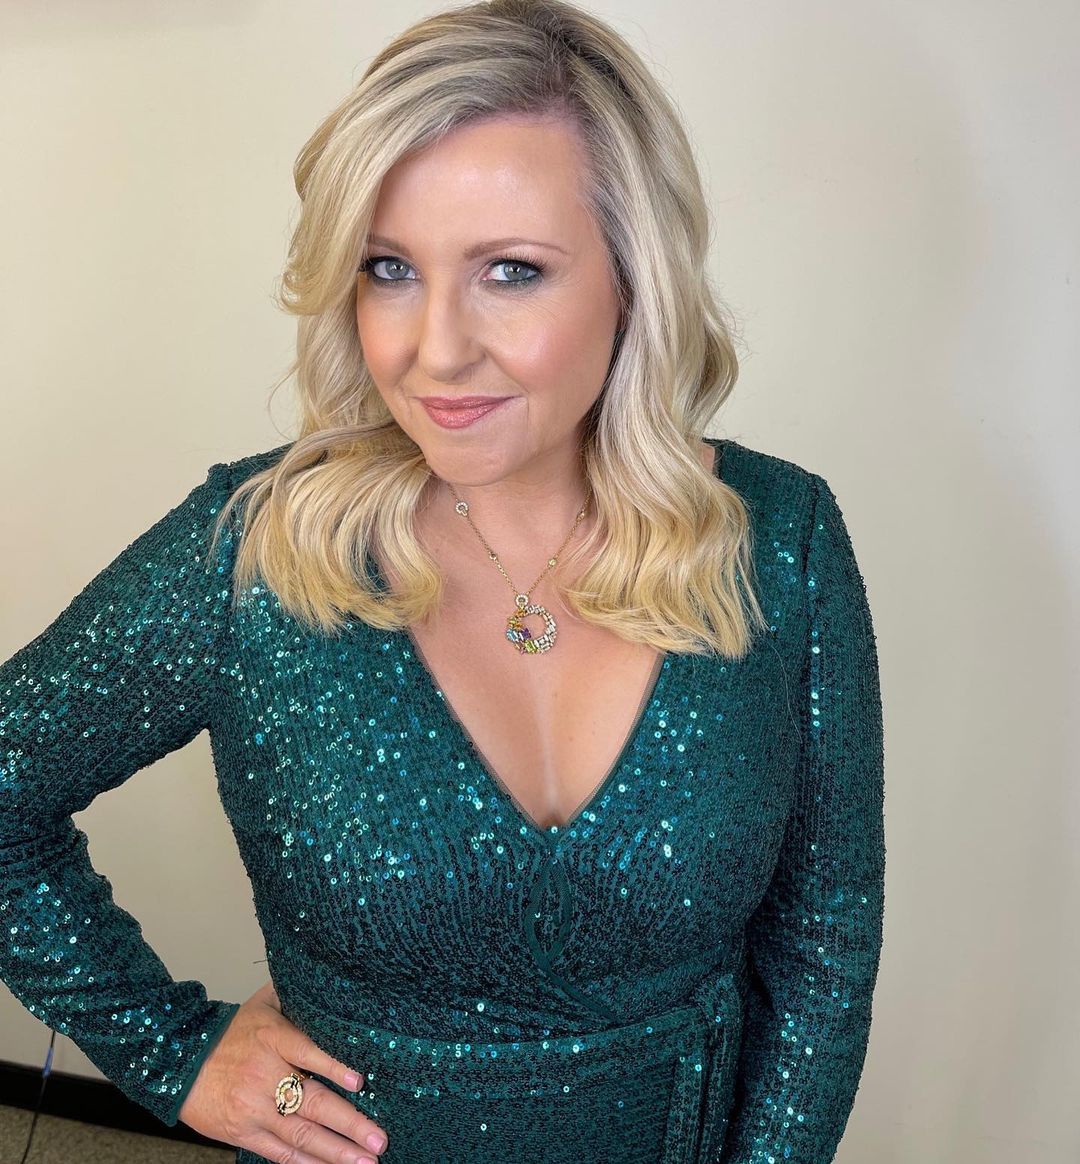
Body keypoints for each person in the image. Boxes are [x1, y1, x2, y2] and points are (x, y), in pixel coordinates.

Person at [0, 1, 886, 1161]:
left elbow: (823, 941)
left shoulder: (778, 539)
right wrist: (170, 1051)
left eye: (511, 271)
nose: (435, 349)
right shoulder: (257, 550)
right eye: (389, 269)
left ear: (636, 277)